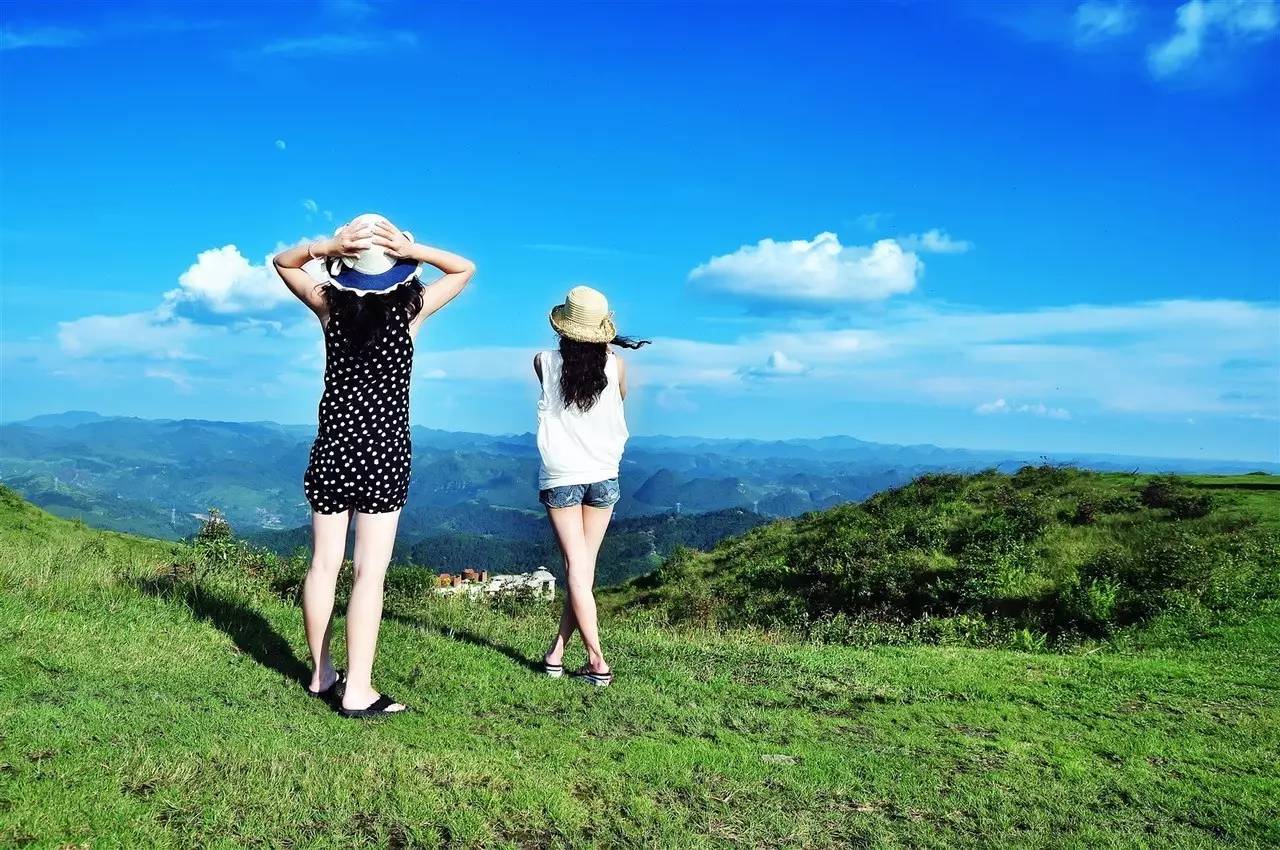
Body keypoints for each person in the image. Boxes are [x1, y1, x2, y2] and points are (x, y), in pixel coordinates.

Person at [273, 213, 475, 717]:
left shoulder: (327, 307)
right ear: (397, 266)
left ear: (346, 264)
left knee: (323, 565)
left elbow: (283, 261)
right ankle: (358, 689)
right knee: (370, 573)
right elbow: (464, 269)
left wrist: (328, 246)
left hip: (333, 447)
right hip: (383, 451)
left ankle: (320, 674)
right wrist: (415, 250)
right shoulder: (411, 311)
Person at [535, 286, 648, 687]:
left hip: (562, 476)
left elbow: (568, 362)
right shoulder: (616, 366)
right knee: (583, 572)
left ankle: (597, 661)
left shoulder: (543, 361)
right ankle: (557, 654)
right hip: (604, 475)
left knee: (577, 572)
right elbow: (618, 395)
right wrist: (609, 345)